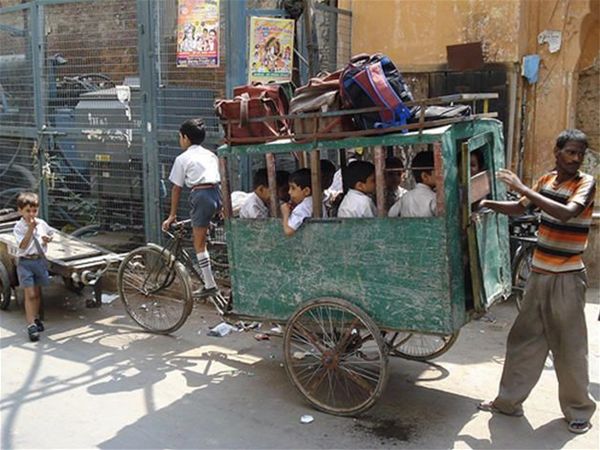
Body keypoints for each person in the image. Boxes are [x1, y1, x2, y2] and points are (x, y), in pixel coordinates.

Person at [477, 129, 596, 435]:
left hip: (567, 277)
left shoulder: (585, 183)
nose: (575, 158)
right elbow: (520, 208)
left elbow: (567, 213)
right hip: (539, 275)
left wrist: (522, 188)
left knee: (569, 346)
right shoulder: (546, 181)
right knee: (523, 340)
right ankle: (508, 402)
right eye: (570, 152)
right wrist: (488, 203)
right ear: (557, 152)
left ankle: (579, 411)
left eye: (580, 153)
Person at [162, 118, 221, 295]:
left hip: (201, 196)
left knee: (199, 245)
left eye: (180, 137)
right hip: (216, 194)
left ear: (185, 138)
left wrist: (172, 215)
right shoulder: (211, 155)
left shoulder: (183, 158)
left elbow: (176, 188)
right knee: (203, 234)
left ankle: (210, 286)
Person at [13, 192, 54, 342]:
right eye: (28, 211)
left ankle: (35, 318)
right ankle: (30, 325)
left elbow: (50, 233)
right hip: (26, 262)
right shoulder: (19, 227)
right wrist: (30, 229)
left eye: (34, 211)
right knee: (29, 294)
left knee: (37, 294)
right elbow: (22, 246)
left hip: (39, 261)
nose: (31, 214)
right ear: (20, 211)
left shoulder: (41, 223)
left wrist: (48, 238)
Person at [388, 151, 436, 217]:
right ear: (425, 176)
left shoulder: (405, 197)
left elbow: (391, 215)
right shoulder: (434, 198)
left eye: (399, 174)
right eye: (439, 172)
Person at [280, 168, 320, 236]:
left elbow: (288, 231)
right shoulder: (316, 202)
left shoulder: (303, 207)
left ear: (306, 191)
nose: (289, 192)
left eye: (293, 188)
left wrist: (285, 214)